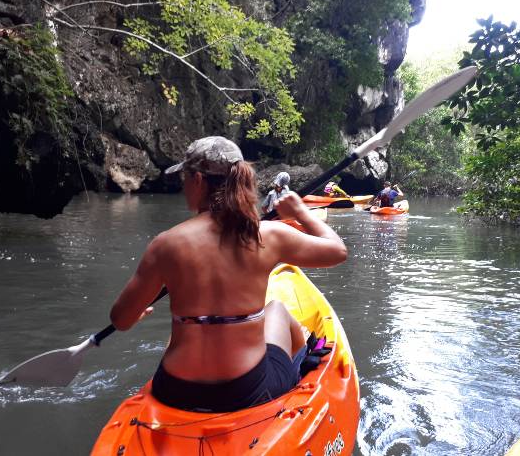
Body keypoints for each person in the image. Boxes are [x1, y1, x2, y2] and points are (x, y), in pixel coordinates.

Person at [109, 136, 347, 412]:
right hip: (244, 391)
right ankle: (295, 386)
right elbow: (337, 251)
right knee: (277, 310)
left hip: (174, 391)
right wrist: (301, 212)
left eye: (184, 178)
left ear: (198, 180)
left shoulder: (166, 243)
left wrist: (134, 314)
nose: (183, 186)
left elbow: (120, 320)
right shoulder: (268, 235)